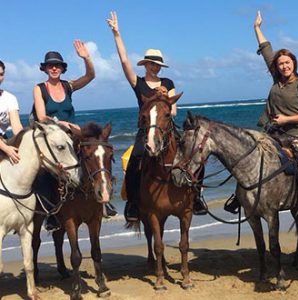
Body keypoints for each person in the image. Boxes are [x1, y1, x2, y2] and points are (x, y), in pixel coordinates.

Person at [107, 11, 207, 222]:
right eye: (152, 63)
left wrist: (164, 100)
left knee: (196, 157)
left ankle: (197, 196)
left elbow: (174, 110)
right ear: (145, 65)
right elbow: (124, 61)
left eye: (158, 64)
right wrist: (117, 34)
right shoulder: (138, 83)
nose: (155, 66)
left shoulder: (168, 83)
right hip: (146, 131)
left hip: (167, 129)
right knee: (134, 163)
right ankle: (133, 204)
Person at [33, 41, 117, 231]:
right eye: (50, 65)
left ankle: (102, 201)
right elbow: (41, 116)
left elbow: (90, 75)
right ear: (45, 69)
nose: (54, 68)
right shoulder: (39, 88)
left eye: (57, 65)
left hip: (72, 134)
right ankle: (51, 213)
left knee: (94, 158)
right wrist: (61, 124)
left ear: (62, 68)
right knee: (46, 172)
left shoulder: (68, 86)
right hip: (51, 135)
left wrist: (86, 57)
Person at [254, 10, 298, 228]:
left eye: (287, 63)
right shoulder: (276, 79)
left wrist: (286, 120)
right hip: (272, 132)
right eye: (281, 63)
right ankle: (241, 199)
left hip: (297, 134)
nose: (284, 66)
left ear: (294, 63)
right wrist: (257, 28)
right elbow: (267, 52)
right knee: (247, 156)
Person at [0, 60, 24, 162]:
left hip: (3, 141)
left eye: (1, 74)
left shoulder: (10, 98)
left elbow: (17, 129)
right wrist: (6, 149)